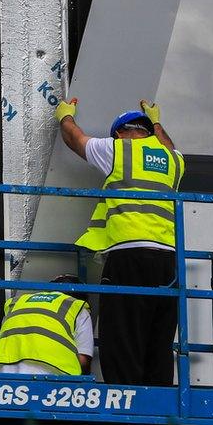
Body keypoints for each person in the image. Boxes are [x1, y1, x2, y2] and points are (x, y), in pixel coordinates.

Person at [54, 98, 184, 386]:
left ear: (120, 132)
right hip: (169, 262)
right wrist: (158, 121)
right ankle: (158, 402)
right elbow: (168, 145)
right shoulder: (174, 160)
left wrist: (65, 116)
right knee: (159, 336)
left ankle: (126, 398)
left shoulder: (118, 150)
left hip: (129, 255)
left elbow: (76, 140)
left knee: (121, 334)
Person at [0, 275, 94, 375]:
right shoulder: (77, 307)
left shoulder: (17, 302)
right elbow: (83, 360)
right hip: (51, 373)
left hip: (1, 370)